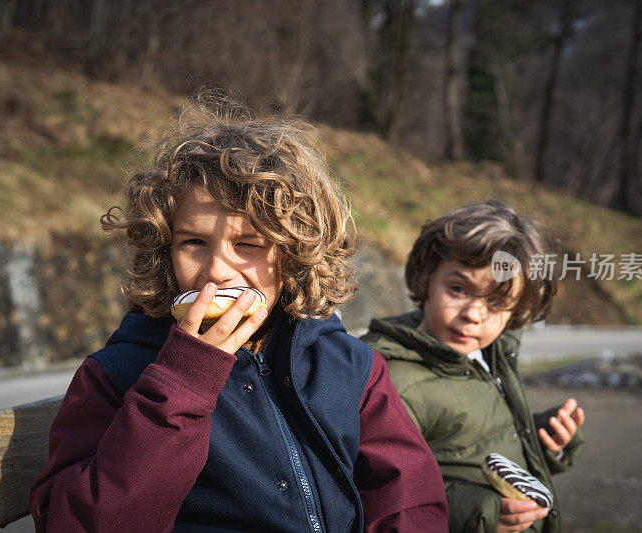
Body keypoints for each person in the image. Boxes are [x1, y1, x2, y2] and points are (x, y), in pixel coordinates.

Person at [29, 100, 448, 532]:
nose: (216, 269)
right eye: (193, 242)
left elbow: (409, 503)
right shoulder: (117, 375)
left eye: (247, 244)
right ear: (164, 250)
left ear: (293, 254)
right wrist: (183, 382)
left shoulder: (350, 365)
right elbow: (80, 522)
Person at [360, 201, 585, 533]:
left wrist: (542, 439)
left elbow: (475, 438)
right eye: (459, 289)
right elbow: (386, 493)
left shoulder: (492, 353)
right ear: (427, 276)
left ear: (516, 310)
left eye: (495, 303)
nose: (474, 314)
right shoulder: (391, 378)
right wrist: (481, 512)